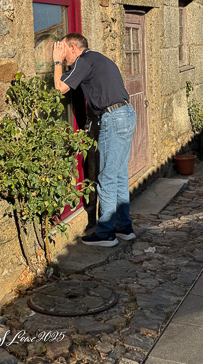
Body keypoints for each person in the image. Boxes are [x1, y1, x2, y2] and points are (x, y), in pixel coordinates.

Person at [53, 33, 137, 247]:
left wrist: (55, 62)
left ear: (73, 48)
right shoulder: (99, 59)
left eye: (64, 50)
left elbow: (60, 88)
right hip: (126, 113)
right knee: (119, 174)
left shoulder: (83, 60)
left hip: (114, 117)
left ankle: (106, 233)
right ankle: (123, 227)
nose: (63, 57)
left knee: (107, 176)